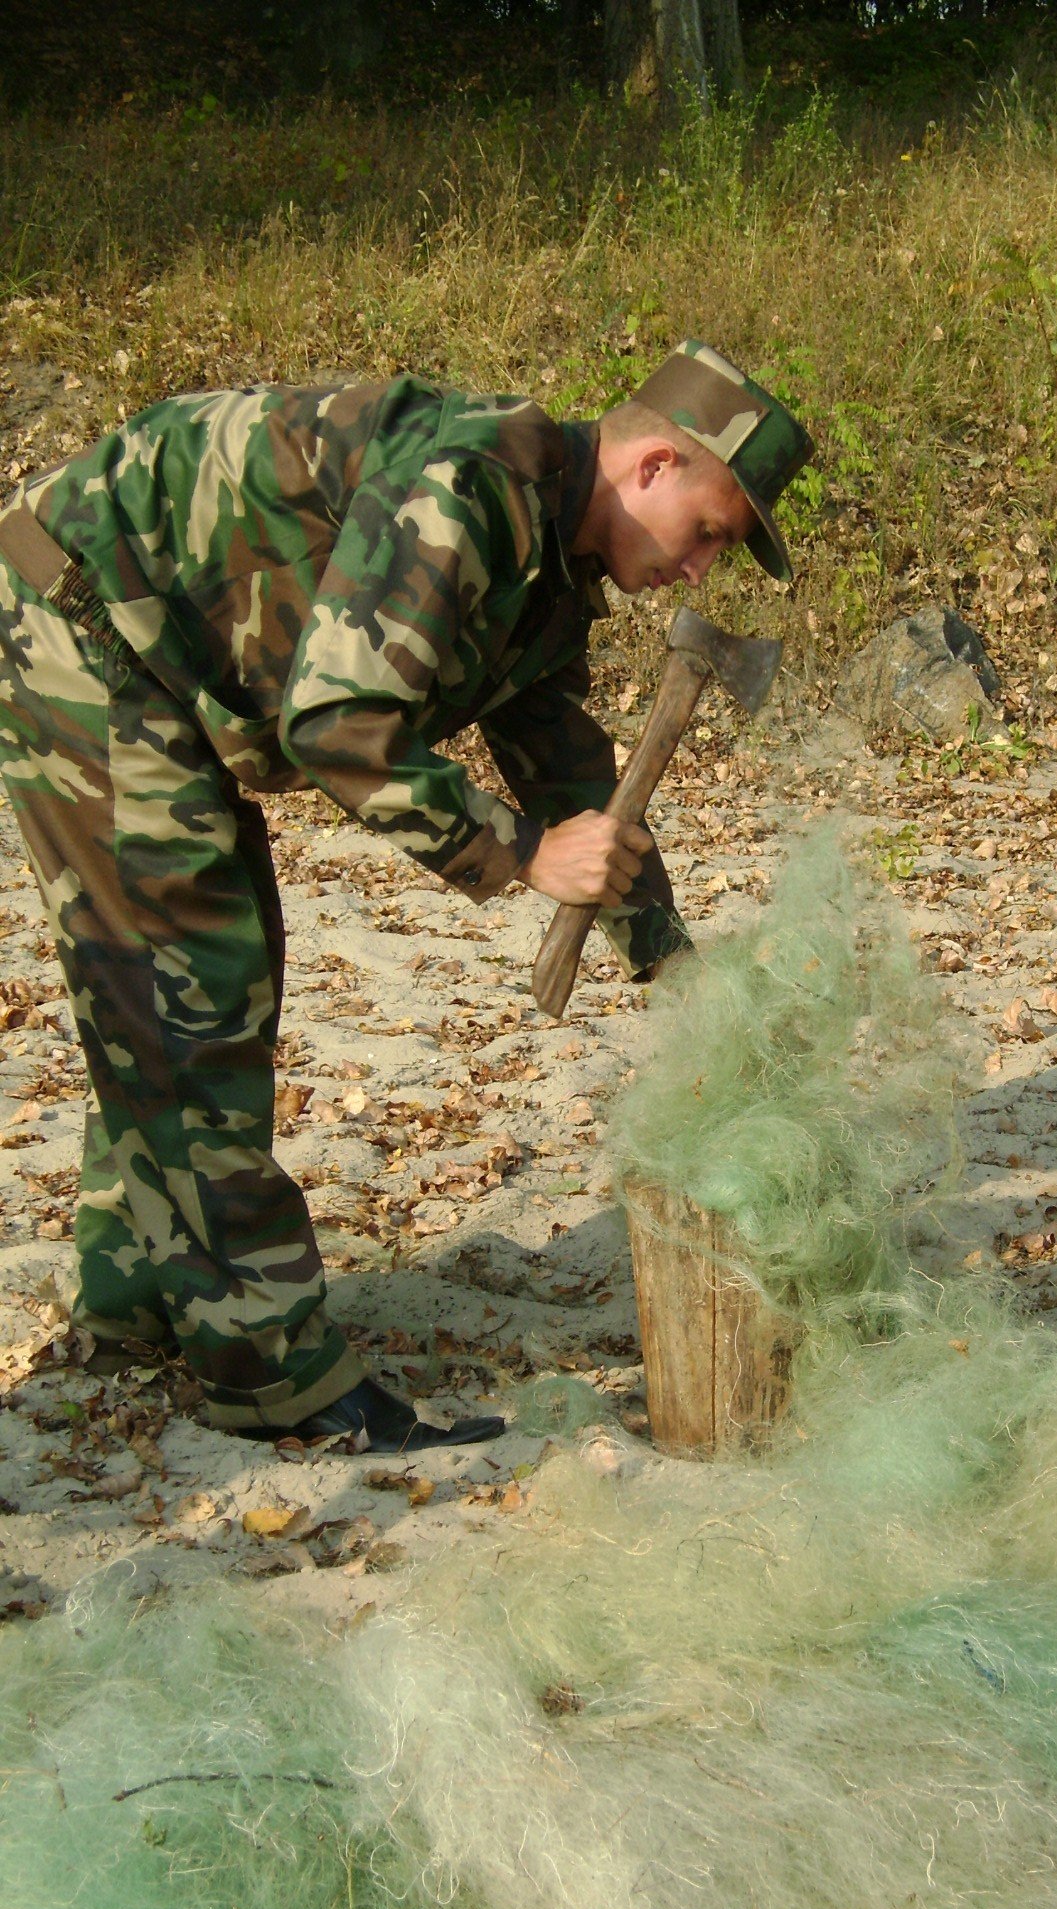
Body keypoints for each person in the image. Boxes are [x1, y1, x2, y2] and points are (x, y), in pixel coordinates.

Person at [0, 341, 814, 1453]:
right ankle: (272, 1376)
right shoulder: (473, 490)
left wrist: (668, 951)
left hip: (161, 654)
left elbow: (567, 763)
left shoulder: (551, 564)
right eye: (711, 530)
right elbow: (338, 724)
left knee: (193, 975)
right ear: (655, 465)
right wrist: (525, 855)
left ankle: (143, 1292)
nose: (699, 570)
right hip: (85, 616)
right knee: (189, 983)